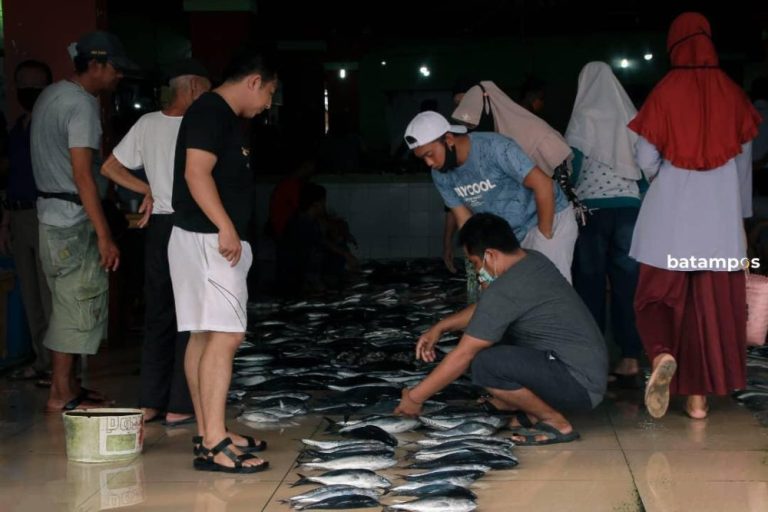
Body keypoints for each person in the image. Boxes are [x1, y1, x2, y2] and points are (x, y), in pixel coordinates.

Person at [628, 12, 761, 419]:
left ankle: (662, 353)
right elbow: (743, 169)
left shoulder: (665, 92)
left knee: (656, 298)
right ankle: (699, 402)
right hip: (719, 227)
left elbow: (646, 154)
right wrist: (739, 223)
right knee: (709, 311)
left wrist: (664, 175)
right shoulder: (733, 95)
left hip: (668, 221)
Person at [394, 213, 607, 445]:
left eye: (475, 263)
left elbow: (463, 355)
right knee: (493, 334)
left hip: (579, 386)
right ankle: (526, 408)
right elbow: (488, 310)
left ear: (490, 255)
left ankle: (556, 422)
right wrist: (442, 327)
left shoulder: (507, 287)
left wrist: (415, 398)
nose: (477, 272)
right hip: (584, 374)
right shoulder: (532, 261)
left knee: (485, 364)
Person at [168, 50, 277, 472]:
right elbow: (197, 172)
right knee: (226, 336)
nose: (268, 103)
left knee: (203, 335)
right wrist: (226, 227)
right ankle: (214, 442)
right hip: (211, 240)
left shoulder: (218, 115)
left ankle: (209, 430)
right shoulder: (212, 112)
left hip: (199, 238)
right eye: (269, 92)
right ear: (253, 81)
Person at [100, 59, 212, 426]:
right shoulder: (202, 125)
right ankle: (180, 405)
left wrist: (145, 187)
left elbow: (109, 167)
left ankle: (150, 402)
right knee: (190, 318)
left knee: (158, 315)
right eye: (208, 89)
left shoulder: (147, 123)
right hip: (191, 224)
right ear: (194, 87)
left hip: (160, 227)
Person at [31, 32, 136, 412]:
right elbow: (83, 175)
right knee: (77, 305)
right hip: (73, 219)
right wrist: (106, 235)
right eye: (115, 69)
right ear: (95, 65)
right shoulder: (83, 106)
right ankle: (61, 393)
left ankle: (70, 386)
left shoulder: (51, 95)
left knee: (65, 303)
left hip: (49, 215)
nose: (118, 77)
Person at [404, 111, 578, 283]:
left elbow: (544, 185)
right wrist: (476, 262)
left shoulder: (494, 147)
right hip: (510, 236)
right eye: (422, 158)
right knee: (516, 295)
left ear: (448, 139)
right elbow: (465, 221)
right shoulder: (440, 175)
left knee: (549, 289)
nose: (429, 163)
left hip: (548, 218)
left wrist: (544, 237)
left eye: (429, 154)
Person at [565, 62, 646, 388]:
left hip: (592, 215)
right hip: (629, 211)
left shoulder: (582, 119)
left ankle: (594, 359)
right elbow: (645, 171)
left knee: (590, 286)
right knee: (628, 286)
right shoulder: (632, 119)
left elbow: (572, 170)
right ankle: (629, 358)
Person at [2, 60, 53, 385]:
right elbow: (11, 175)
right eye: (22, 84)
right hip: (18, 214)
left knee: (50, 293)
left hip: (44, 212)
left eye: (34, 84)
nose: (28, 91)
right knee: (29, 291)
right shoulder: (17, 127)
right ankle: (41, 357)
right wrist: (5, 220)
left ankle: (58, 364)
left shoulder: (49, 126)